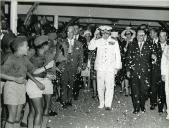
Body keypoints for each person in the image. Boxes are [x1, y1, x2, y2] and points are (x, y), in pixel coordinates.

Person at [1, 36, 47, 128]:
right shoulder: (11, 58)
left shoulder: (24, 58)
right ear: (20, 47)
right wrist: (15, 79)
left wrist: (46, 68)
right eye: (26, 46)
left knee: (18, 116)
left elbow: (33, 71)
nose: (28, 48)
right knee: (12, 117)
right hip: (11, 87)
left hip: (21, 88)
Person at [88, 26, 122, 110]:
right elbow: (90, 47)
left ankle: (108, 104)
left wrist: (117, 67)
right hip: (100, 67)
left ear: (110, 33)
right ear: (101, 33)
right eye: (103, 33)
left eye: (107, 33)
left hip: (110, 67)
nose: (105, 35)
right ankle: (101, 102)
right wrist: (94, 37)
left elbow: (117, 54)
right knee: (100, 86)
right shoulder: (98, 41)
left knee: (110, 86)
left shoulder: (114, 41)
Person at [26, 35, 55, 128]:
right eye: (48, 44)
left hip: (44, 80)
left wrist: (48, 74)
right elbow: (33, 71)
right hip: (34, 83)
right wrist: (47, 67)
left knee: (43, 109)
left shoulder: (45, 54)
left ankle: (43, 126)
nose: (49, 45)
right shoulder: (33, 57)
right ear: (43, 45)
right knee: (37, 111)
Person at [126, 29, 156, 114]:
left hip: (145, 73)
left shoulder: (149, 45)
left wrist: (154, 56)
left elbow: (154, 55)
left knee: (144, 91)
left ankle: (142, 105)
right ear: (136, 36)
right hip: (134, 72)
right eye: (138, 35)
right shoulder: (132, 45)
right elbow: (128, 58)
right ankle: (136, 108)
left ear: (144, 36)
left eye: (142, 35)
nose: (140, 37)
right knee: (135, 90)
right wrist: (128, 70)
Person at [60, 26, 83, 108]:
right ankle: (63, 101)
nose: (69, 34)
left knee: (71, 84)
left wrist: (80, 66)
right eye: (68, 32)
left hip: (74, 67)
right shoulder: (62, 43)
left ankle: (69, 99)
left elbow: (81, 56)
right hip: (64, 66)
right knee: (64, 84)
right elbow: (58, 56)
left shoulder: (79, 44)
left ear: (74, 33)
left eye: (71, 32)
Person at [149, 28, 161, 110]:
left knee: (160, 87)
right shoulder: (149, 43)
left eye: (151, 33)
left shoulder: (162, 43)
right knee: (152, 87)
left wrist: (157, 59)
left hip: (160, 68)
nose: (150, 34)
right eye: (150, 33)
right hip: (151, 69)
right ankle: (153, 103)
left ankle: (160, 102)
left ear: (156, 33)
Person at [161, 44, 169, 120]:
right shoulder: (167, 47)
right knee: (168, 93)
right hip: (167, 72)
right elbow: (163, 60)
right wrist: (163, 73)